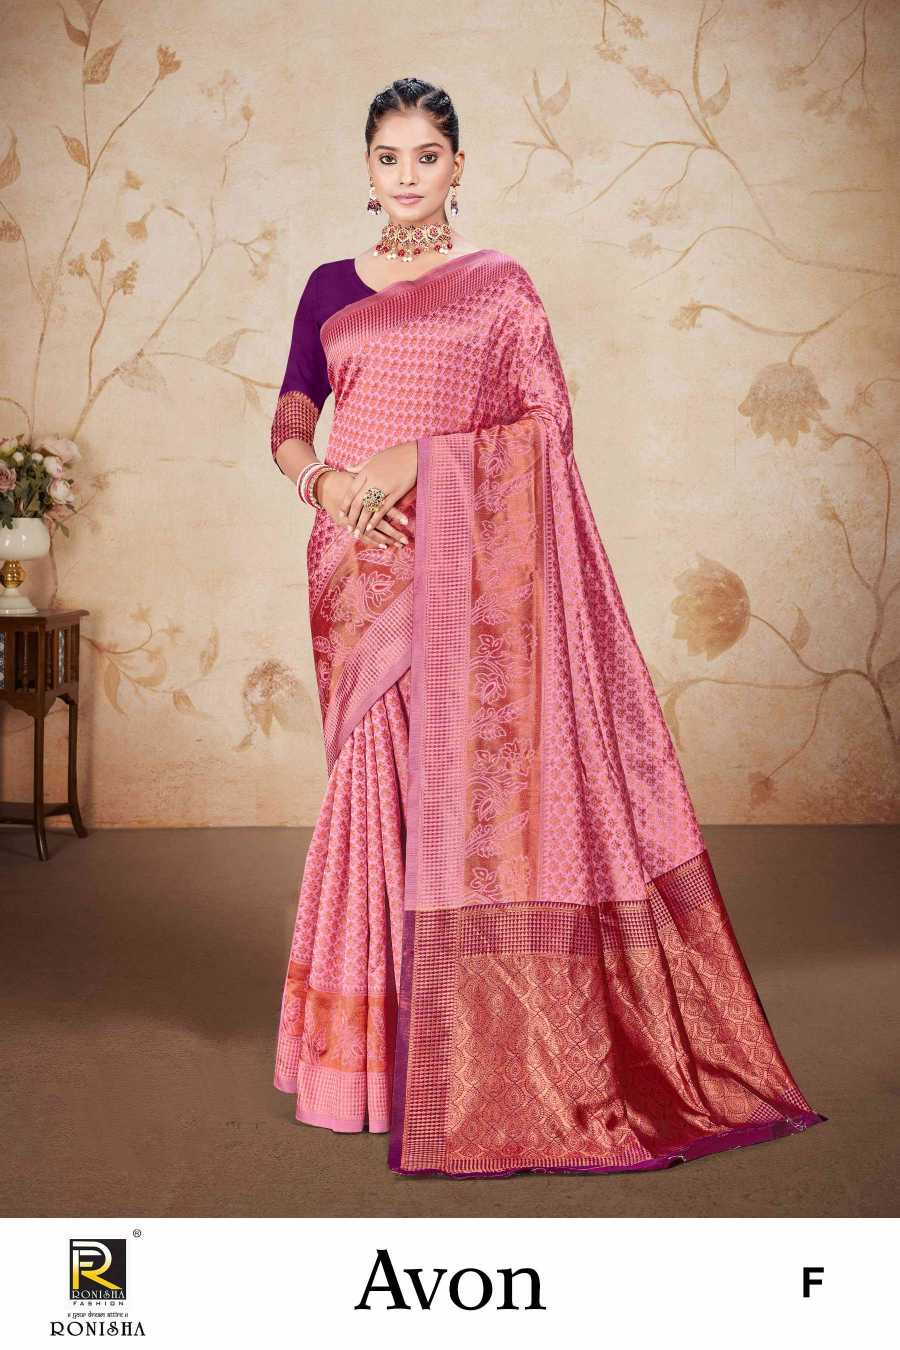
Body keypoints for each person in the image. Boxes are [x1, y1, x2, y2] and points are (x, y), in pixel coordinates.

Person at [271, 76, 827, 1179]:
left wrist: (420, 460)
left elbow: (547, 423)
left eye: (428, 156)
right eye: (389, 157)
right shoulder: (329, 287)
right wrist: (321, 483)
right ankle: (365, 1067)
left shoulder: (499, 289)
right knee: (377, 796)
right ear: (367, 170)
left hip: (469, 569)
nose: (408, 176)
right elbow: (292, 416)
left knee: (466, 801)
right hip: (358, 569)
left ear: (459, 167)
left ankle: (476, 1055)